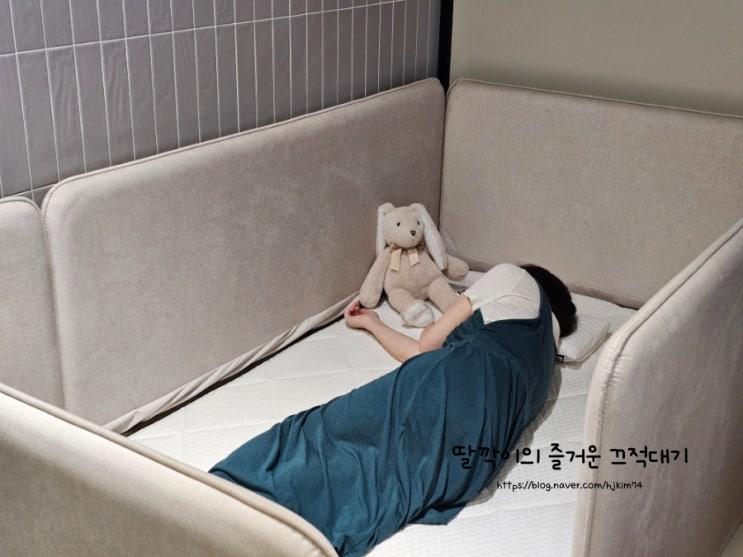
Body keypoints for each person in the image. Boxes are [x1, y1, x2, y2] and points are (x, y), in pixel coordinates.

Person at [210, 263, 577, 557]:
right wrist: (373, 323)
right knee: (381, 488)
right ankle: (293, 542)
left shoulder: (514, 276)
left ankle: (214, 508)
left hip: (448, 387)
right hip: (476, 462)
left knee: (314, 437)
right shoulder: (549, 362)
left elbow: (428, 344)